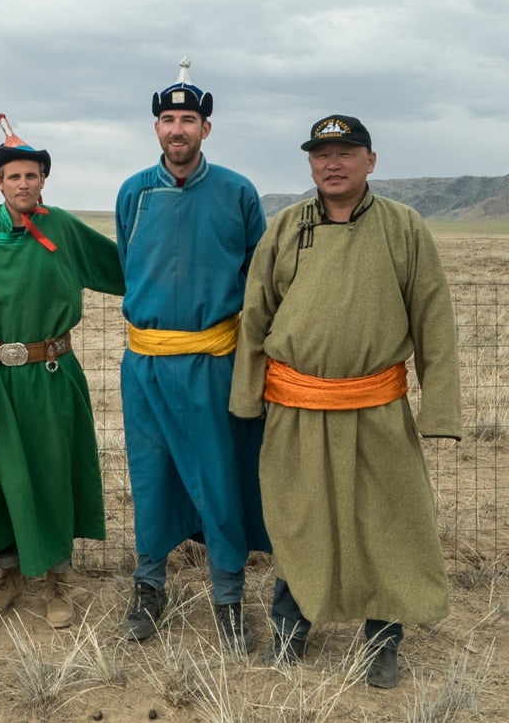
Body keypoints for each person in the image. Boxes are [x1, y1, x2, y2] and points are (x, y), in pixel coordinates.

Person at [229, 115, 462, 688]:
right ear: (310, 163)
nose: (333, 163)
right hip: (298, 408)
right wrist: (246, 400)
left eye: (346, 152)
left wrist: (441, 413)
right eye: (321, 154)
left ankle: (383, 642)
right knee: (301, 517)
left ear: (370, 161)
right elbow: (255, 318)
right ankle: (290, 629)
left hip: (376, 407)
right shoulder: (283, 229)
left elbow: (434, 319)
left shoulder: (404, 227)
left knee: (385, 520)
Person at [0, 114, 125, 629]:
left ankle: (57, 579)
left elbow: (127, 269)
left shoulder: (64, 228)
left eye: (31, 175)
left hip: (52, 374)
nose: (23, 183)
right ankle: (10, 574)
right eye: (13, 176)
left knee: (52, 472)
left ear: (43, 181)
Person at [115, 59, 271, 649]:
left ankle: (229, 599)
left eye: (188, 119)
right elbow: (130, 264)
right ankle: (148, 589)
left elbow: (257, 276)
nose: (176, 129)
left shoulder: (236, 192)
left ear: (207, 127)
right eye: (167, 119)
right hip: (147, 364)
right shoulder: (135, 192)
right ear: (156, 128)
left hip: (215, 363)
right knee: (150, 476)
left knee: (219, 476)